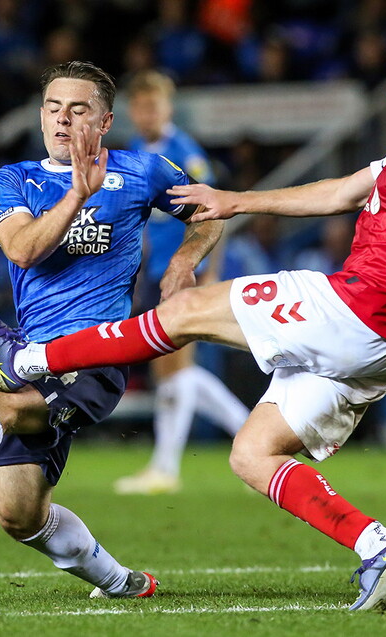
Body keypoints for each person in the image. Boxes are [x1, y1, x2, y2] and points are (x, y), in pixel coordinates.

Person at [0, 20, 386, 610]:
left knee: (185, 310)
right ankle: (379, 546)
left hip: (360, 307)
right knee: (251, 454)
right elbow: (342, 192)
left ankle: (28, 356)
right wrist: (238, 200)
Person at [0, 61, 223, 599]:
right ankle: (124, 583)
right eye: (53, 108)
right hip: (31, 352)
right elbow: (22, 248)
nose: (63, 120)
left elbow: (211, 212)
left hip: (96, 356)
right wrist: (75, 196)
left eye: (78, 109)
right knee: (19, 515)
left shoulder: (144, 171)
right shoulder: (12, 181)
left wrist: (183, 260)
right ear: (40, 116)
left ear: (105, 121)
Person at [114, 70, 249, 495]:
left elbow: (213, 215)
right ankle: (256, 439)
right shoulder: (138, 151)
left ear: (168, 108)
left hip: (187, 270)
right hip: (158, 274)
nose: (145, 114)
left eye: (153, 105)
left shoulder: (184, 154)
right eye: (138, 106)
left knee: (173, 368)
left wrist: (208, 271)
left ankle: (166, 468)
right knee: (170, 371)